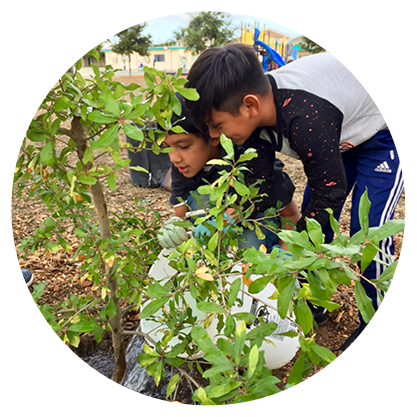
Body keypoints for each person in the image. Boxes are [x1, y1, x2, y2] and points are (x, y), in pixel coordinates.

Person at [184, 43, 404, 349]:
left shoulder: (306, 120)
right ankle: (313, 300)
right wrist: (225, 218)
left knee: (368, 230)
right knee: (318, 223)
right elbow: (260, 187)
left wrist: (292, 247)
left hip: (382, 132)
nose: (215, 136)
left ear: (249, 106)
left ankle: (377, 319)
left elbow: (331, 191)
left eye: (217, 125)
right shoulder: (256, 121)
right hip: (337, 135)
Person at [158, 93, 301, 252]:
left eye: (184, 146)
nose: (174, 158)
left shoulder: (255, 164)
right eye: (167, 147)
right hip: (217, 221)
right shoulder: (183, 165)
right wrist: (173, 228)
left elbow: (291, 216)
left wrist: (286, 254)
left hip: (256, 221)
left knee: (248, 246)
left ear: (213, 136)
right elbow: (182, 217)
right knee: (200, 202)